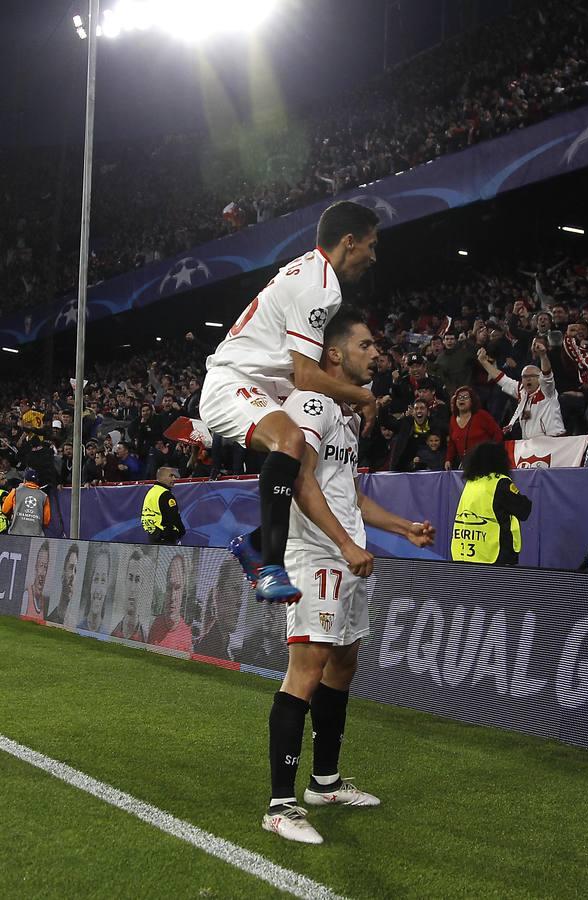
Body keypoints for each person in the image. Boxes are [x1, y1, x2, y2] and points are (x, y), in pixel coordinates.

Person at [251, 309, 435, 845]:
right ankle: (280, 804)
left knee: (344, 661)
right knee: (305, 670)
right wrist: (346, 543)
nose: (376, 353)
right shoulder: (310, 402)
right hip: (316, 555)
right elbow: (301, 479)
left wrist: (400, 527)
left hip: (345, 554)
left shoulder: (347, 415)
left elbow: (344, 492)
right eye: (366, 345)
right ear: (334, 354)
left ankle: (324, 782)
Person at [200, 201, 380, 603]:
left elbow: (306, 375)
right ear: (350, 242)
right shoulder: (321, 287)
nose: (373, 256)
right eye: (371, 244)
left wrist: (343, 398)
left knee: (299, 469)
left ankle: (256, 545)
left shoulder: (309, 270)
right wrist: (364, 397)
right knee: (291, 442)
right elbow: (305, 376)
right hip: (234, 381)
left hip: (260, 388)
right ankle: (269, 564)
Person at [451, 441, 532, 565]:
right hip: (495, 555)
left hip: (467, 553)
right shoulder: (499, 482)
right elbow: (523, 510)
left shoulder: (471, 483)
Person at [477, 339, 565, 438]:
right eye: (525, 377)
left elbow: (547, 375)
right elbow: (502, 378)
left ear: (539, 378)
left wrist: (543, 356)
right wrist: (484, 362)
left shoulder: (547, 390)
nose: (528, 379)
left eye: (532, 376)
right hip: (530, 445)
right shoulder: (521, 391)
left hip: (553, 442)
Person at [193, 556, 245, 660]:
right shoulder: (201, 651)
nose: (240, 602)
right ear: (217, 595)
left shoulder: (227, 654)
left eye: (241, 593)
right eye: (235, 589)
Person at [444, 386, 503, 470]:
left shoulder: (482, 415)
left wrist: (493, 454)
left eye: (465, 397)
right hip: (466, 464)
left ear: (472, 401)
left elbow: (497, 434)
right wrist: (448, 460)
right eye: (459, 397)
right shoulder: (453, 419)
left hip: (485, 462)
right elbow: (452, 443)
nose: (462, 399)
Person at [148, 553, 193, 652]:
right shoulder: (153, 626)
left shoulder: (188, 637)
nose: (172, 597)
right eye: (169, 588)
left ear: (183, 592)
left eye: (177, 588)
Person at [141, 467, 186, 545]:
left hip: (153, 535)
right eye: (171, 476)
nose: (174, 479)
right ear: (162, 477)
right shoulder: (165, 494)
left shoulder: (151, 492)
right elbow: (174, 517)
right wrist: (182, 531)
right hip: (165, 537)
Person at [111, 549, 148, 641]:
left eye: (137, 580)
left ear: (142, 585)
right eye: (130, 578)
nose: (132, 588)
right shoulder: (113, 634)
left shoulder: (146, 639)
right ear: (125, 581)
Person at [2, 467, 51, 536]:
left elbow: (5, 510)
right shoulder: (44, 496)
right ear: (37, 481)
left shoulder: (15, 492)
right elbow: (46, 521)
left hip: (16, 534)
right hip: (36, 536)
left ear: (24, 480)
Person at [79, 546, 112, 632]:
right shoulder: (78, 628)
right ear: (91, 583)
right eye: (96, 579)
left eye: (103, 580)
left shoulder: (107, 634)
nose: (98, 590)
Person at [46, 543, 79, 625]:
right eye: (71, 568)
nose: (73, 575)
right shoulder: (49, 618)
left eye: (75, 570)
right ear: (62, 574)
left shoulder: (73, 623)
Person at [21, 539, 51, 622]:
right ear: (36, 567)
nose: (43, 573)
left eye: (45, 567)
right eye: (41, 565)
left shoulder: (43, 602)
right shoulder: (26, 596)